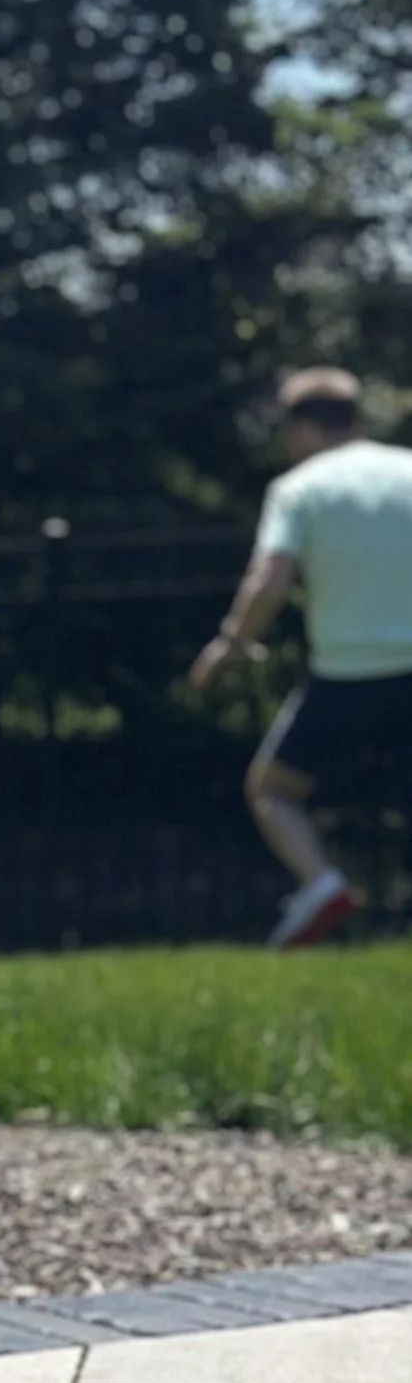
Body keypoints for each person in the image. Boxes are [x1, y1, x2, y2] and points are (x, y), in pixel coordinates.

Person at [190, 366, 412, 948]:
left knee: (272, 789)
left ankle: (321, 884)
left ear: (299, 427)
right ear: (357, 417)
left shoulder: (300, 488)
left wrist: (230, 646)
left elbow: (270, 581)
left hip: (347, 675)